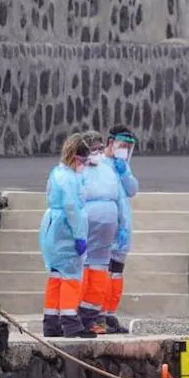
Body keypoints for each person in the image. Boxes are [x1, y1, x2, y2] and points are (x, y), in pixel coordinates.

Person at [39, 133, 93, 339]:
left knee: (55, 277)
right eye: (84, 160)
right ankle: (71, 324)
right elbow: (73, 209)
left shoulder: (56, 173)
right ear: (76, 158)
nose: (85, 165)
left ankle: (51, 323)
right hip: (65, 232)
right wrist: (80, 237)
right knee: (71, 277)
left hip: (51, 230)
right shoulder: (70, 179)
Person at [76, 130, 128, 334]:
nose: (97, 152)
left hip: (106, 234)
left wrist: (122, 225)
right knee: (83, 275)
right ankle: (76, 317)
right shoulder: (77, 171)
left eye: (99, 148)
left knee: (98, 277)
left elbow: (120, 199)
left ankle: (92, 318)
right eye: (93, 148)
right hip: (85, 231)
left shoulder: (108, 170)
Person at [100, 126, 140, 333]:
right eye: (121, 145)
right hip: (105, 227)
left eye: (128, 147)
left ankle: (109, 312)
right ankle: (98, 313)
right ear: (110, 143)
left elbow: (131, 190)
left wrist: (124, 172)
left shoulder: (122, 165)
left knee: (116, 274)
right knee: (103, 273)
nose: (124, 150)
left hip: (122, 227)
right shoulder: (99, 164)